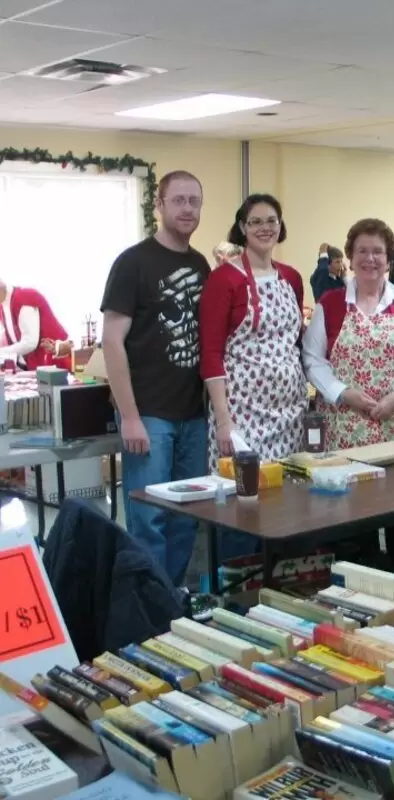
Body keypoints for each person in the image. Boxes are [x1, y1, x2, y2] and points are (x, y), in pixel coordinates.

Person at [303, 218, 394, 568]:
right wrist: (342, 392)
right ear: (350, 256)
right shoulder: (330, 305)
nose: (370, 258)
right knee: (351, 513)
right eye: (362, 250)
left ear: (389, 259)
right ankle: (356, 586)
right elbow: (313, 360)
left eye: (378, 251)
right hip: (347, 426)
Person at [101, 170, 210, 586]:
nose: (187, 209)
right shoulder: (133, 263)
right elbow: (113, 342)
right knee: (149, 520)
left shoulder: (200, 264)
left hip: (193, 417)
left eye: (194, 201)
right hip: (149, 416)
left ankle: (171, 601)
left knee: (187, 520)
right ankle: (146, 607)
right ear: (159, 206)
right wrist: (129, 416)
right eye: (178, 200)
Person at [200, 194, 306, 472]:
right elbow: (211, 353)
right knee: (243, 494)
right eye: (255, 221)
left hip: (291, 411)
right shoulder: (223, 279)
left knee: (290, 496)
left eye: (272, 221)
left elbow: (295, 342)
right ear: (242, 227)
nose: (265, 228)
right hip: (242, 412)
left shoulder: (291, 278)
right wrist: (223, 420)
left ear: (281, 226)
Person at [0, 281, 72, 370]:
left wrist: (2, 352)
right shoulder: (2, 305)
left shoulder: (24, 297)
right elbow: (5, 339)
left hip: (54, 363)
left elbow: (30, 342)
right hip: (33, 367)